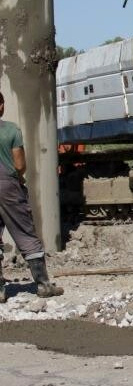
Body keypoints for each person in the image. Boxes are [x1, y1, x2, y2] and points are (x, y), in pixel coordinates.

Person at [0, 92, 64, 303]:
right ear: (1, 106)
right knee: (25, 234)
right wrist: (16, 180)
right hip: (7, 187)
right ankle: (44, 285)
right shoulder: (10, 130)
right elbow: (19, 165)